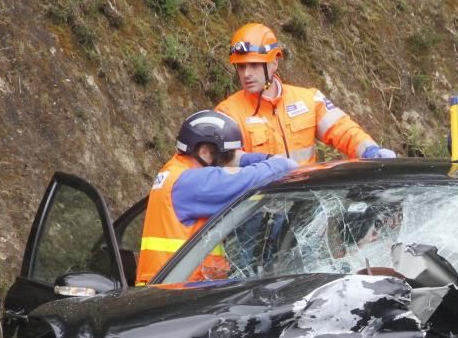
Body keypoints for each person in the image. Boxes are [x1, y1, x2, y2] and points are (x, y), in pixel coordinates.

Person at [137, 110, 297, 285]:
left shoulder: (176, 173)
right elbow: (268, 172)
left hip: (173, 288)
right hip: (177, 292)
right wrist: (273, 161)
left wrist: (236, 157)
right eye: (227, 155)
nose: (230, 161)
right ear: (205, 151)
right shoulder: (194, 182)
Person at [216, 22, 396, 165]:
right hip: (262, 206)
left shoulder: (309, 99)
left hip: (306, 203)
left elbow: (343, 130)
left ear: (274, 63)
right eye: (241, 66)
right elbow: (222, 160)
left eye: (254, 65)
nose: (246, 74)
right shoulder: (227, 113)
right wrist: (259, 162)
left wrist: (370, 151)